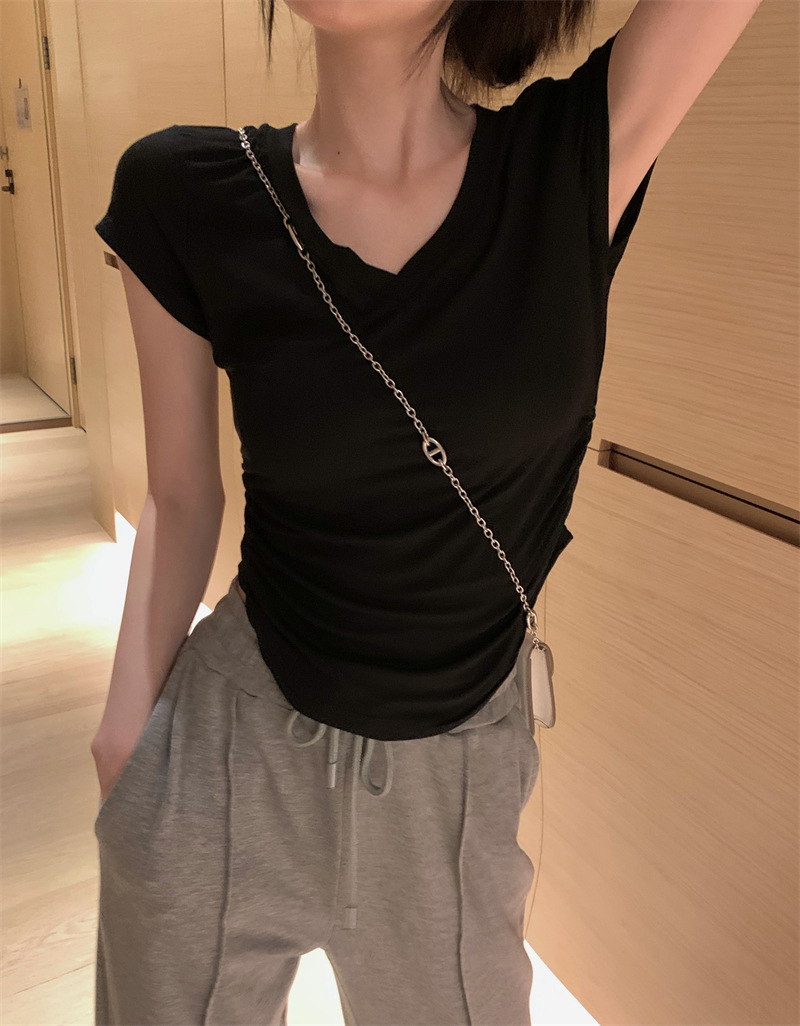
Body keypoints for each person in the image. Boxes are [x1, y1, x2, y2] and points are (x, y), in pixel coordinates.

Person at [90, 1, 660, 1022]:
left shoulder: (572, 159)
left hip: (454, 775)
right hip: (230, 747)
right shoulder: (183, 188)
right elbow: (180, 492)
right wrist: (125, 732)